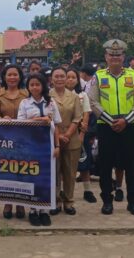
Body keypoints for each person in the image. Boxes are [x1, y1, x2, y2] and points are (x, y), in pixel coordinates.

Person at [86, 39, 134, 217]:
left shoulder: (133, 76)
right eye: (111, 55)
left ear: (123, 57)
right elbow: (92, 101)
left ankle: (133, 202)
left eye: (118, 55)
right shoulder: (98, 76)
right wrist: (110, 120)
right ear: (106, 57)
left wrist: (125, 120)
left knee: (131, 165)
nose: (115, 58)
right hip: (106, 126)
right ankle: (107, 201)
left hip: (129, 126)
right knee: (106, 165)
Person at [18, 72, 61, 226]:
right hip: (31, 146)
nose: (35, 87)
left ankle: (44, 210)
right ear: (28, 87)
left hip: (48, 146)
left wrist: (57, 145)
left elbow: (56, 125)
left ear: (43, 86)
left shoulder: (51, 102)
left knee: (46, 178)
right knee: (33, 177)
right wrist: (39, 119)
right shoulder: (24, 103)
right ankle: (33, 210)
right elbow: (20, 124)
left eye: (37, 84)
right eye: (32, 85)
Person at [0, 63, 28, 218]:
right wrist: (1, 119)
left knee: (22, 169)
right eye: (9, 75)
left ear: (20, 77)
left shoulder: (27, 94)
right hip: (4, 138)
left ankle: (20, 202)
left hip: (24, 138)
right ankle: (8, 202)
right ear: (4, 77)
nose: (12, 77)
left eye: (15, 74)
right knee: (6, 169)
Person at [49, 67, 83, 215]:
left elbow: (77, 118)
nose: (59, 79)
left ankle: (69, 201)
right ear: (51, 79)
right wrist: (59, 137)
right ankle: (55, 201)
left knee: (70, 173)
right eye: (56, 76)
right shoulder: (47, 96)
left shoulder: (74, 96)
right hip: (52, 140)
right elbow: (48, 118)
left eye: (62, 76)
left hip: (71, 139)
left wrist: (67, 135)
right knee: (54, 172)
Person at [67, 67, 97, 204]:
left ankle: (88, 191)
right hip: (64, 132)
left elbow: (86, 113)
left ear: (78, 80)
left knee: (84, 163)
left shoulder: (82, 95)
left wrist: (83, 133)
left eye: (73, 77)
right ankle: (64, 193)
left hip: (79, 133)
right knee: (65, 165)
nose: (70, 80)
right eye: (68, 77)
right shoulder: (56, 95)